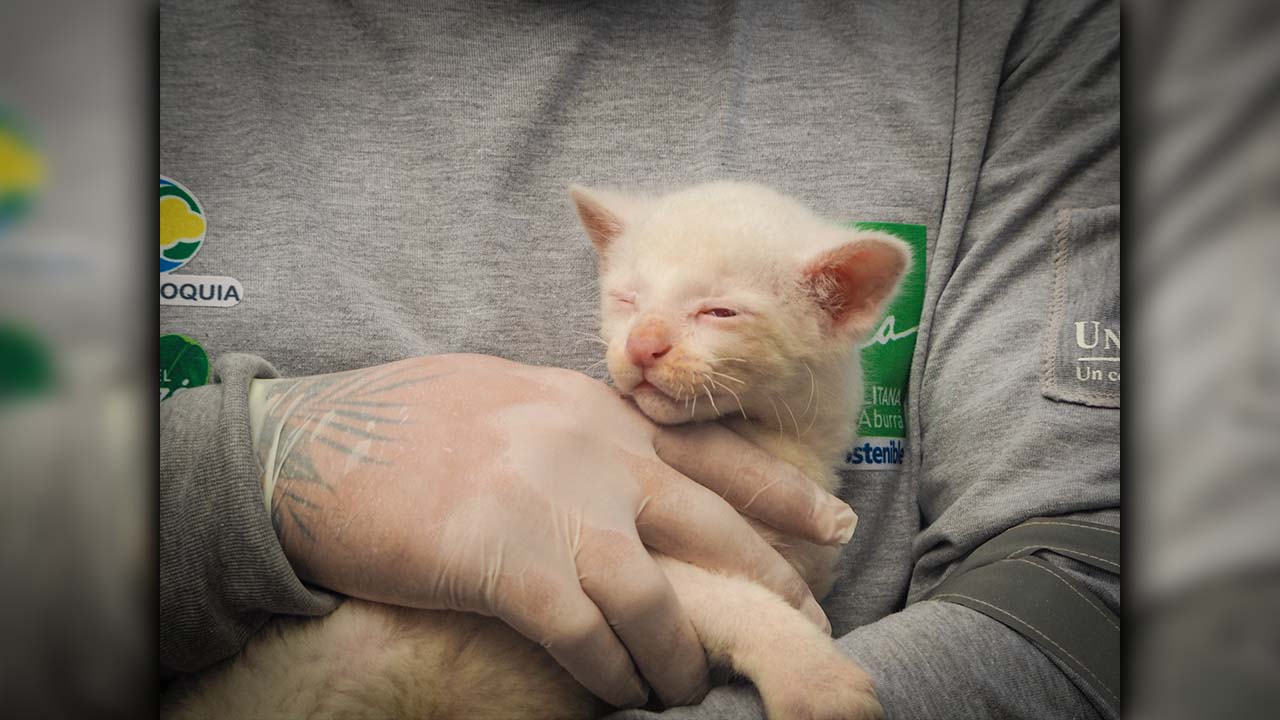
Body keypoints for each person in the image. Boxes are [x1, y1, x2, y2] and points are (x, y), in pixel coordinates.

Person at [159, 1, 1120, 718]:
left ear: (844, 300)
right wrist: (255, 464)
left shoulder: (1017, 34)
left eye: (714, 311)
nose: (646, 340)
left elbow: (1086, 576)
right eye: (625, 300)